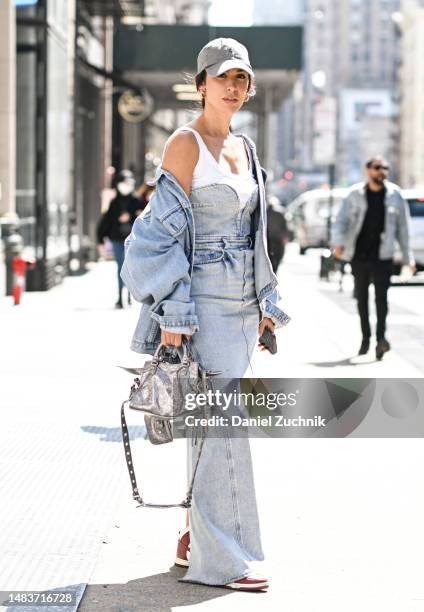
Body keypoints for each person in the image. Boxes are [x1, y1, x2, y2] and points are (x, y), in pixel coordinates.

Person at [121, 38, 291, 591]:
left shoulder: (245, 145)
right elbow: (150, 240)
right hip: (203, 307)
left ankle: (195, 538)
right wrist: (173, 309)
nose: (234, 87)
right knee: (223, 429)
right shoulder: (184, 145)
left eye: (242, 78)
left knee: (212, 427)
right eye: (222, 78)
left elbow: (255, 234)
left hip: (243, 306)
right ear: (200, 84)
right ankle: (225, 561)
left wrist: (266, 306)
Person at [331, 156, 415, 360]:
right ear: (368, 170)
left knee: (382, 300)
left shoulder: (395, 195)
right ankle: (365, 338)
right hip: (359, 256)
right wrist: (338, 244)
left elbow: (404, 230)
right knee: (362, 299)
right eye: (378, 168)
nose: (382, 171)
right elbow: (340, 221)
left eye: (385, 168)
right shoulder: (354, 195)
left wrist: (408, 259)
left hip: (383, 257)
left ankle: (381, 340)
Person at [97, 169, 141, 308]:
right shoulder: (115, 202)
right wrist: (100, 237)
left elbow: (144, 219)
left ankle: (128, 295)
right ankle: (120, 297)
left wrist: (131, 217)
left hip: (132, 239)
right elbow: (107, 220)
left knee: (129, 267)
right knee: (120, 267)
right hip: (117, 239)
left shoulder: (136, 201)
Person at [266, 195, 289, 273]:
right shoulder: (281, 213)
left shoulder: (264, 213)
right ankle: (274, 272)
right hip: (278, 240)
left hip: (268, 239)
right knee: (278, 257)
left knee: (270, 258)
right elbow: (285, 227)